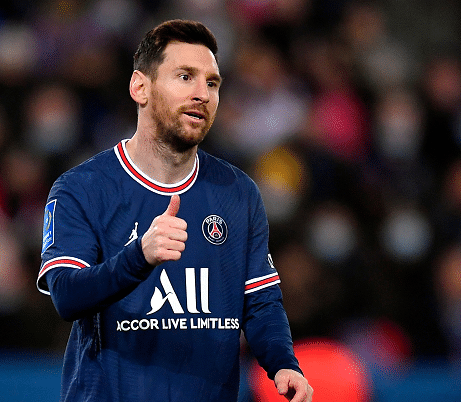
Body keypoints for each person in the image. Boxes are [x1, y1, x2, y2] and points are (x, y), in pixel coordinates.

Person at [36, 19, 313, 402]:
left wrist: (283, 363)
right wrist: (139, 256)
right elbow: (67, 295)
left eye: (212, 83)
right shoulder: (83, 188)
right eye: (185, 77)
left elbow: (261, 301)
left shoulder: (237, 192)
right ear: (140, 87)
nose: (202, 94)